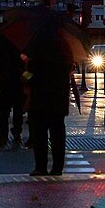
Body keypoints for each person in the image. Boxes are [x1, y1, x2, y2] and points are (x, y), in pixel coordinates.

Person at [24, 36, 75, 175]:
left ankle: (41, 167)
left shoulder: (36, 47)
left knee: (40, 134)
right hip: (58, 98)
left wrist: (25, 76)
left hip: (39, 97)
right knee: (58, 134)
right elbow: (69, 69)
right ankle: (57, 167)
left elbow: (29, 74)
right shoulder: (64, 46)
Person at [0, 32, 25, 149]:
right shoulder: (22, 41)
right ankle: (16, 132)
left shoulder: (1, 39)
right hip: (18, 80)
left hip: (5, 80)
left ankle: (3, 134)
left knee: (4, 110)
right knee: (18, 109)